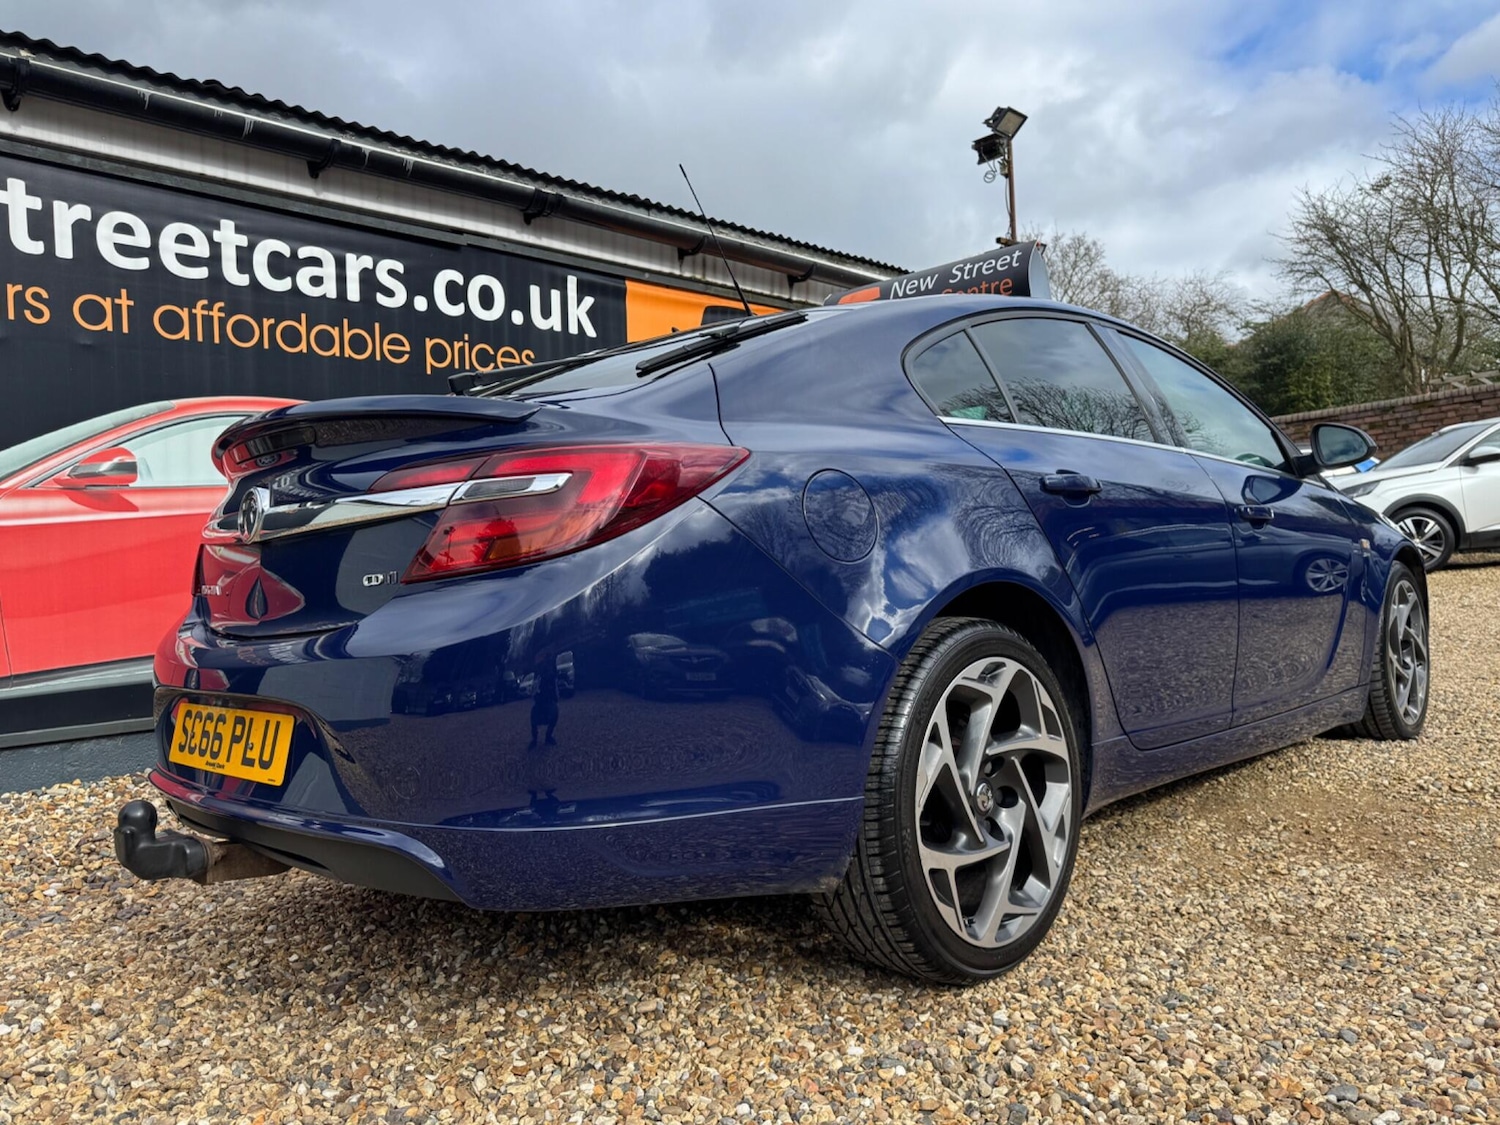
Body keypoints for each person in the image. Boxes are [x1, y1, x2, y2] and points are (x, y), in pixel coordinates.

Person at [528, 650, 560, 748]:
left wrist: (555, 694)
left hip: (549, 699)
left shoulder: (551, 670)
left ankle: (548, 736)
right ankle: (535, 739)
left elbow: (554, 683)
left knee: (554, 713)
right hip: (540, 699)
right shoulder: (539, 671)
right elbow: (535, 686)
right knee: (534, 717)